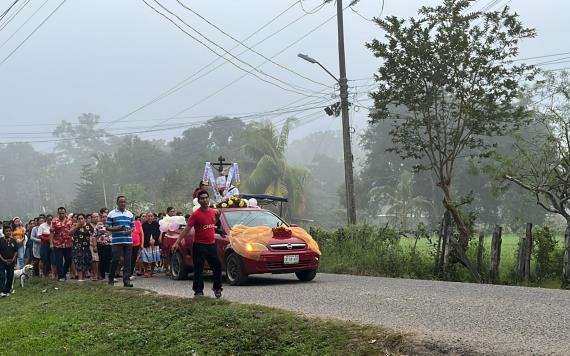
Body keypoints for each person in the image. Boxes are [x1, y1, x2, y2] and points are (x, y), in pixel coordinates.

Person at [173, 190, 222, 298]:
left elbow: (213, 223)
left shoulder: (213, 211)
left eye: (206, 198)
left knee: (217, 266)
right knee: (199, 269)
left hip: (211, 245)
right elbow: (186, 230)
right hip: (199, 245)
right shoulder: (196, 215)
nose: (204, 200)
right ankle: (198, 291)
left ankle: (217, 288)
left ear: (209, 199)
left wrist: (218, 216)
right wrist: (177, 242)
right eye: (202, 198)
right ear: (199, 201)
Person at [106, 196, 134, 287]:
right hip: (116, 240)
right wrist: (116, 228)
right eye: (121, 202)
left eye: (124, 202)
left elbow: (133, 226)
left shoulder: (130, 214)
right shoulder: (111, 214)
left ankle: (126, 281)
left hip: (128, 240)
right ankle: (111, 279)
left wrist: (130, 231)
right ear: (117, 203)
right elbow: (107, 227)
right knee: (115, 260)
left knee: (128, 261)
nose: (123, 203)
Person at [50, 207, 74, 282]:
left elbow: (72, 230)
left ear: (65, 213)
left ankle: (64, 272)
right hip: (58, 244)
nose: (62, 214)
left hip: (68, 243)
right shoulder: (54, 221)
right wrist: (51, 243)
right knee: (58, 260)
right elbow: (51, 232)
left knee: (69, 259)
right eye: (60, 213)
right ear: (58, 213)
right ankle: (61, 276)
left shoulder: (70, 220)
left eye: (63, 213)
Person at [70, 214, 93, 282]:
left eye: (81, 218)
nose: (80, 220)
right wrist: (77, 226)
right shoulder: (74, 225)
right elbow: (70, 233)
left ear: (85, 219)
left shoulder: (88, 225)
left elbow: (94, 234)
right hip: (77, 247)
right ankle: (80, 278)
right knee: (79, 262)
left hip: (86, 247)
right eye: (79, 219)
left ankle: (83, 278)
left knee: (86, 261)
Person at [0, 225, 17, 297]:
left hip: (11, 261)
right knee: (2, 276)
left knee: (10, 276)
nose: (8, 232)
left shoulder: (13, 240)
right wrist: (3, 260)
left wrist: (13, 259)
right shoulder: (0, 240)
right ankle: (1, 291)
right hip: (1, 261)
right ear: (4, 232)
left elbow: (16, 251)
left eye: (9, 231)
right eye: (7, 231)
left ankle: (7, 290)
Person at [141, 212, 160, 277]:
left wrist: (154, 239)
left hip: (155, 242)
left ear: (153, 217)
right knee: (145, 257)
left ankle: (152, 271)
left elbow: (158, 232)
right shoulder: (143, 225)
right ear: (146, 217)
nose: (150, 217)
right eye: (148, 216)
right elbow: (143, 234)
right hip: (146, 243)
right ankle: (146, 270)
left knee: (154, 257)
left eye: (151, 216)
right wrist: (148, 241)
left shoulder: (156, 224)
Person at [159, 207, 176, 276]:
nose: (173, 213)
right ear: (168, 212)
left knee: (173, 253)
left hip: (174, 237)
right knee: (166, 254)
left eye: (174, 211)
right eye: (171, 211)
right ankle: (167, 269)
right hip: (166, 237)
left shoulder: (175, 219)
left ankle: (172, 268)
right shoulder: (165, 219)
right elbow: (162, 229)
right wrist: (160, 236)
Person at [130, 213, 144, 280]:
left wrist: (142, 244)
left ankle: (131, 273)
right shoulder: (126, 223)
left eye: (133, 216)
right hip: (127, 244)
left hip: (136, 244)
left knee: (134, 258)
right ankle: (126, 272)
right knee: (127, 258)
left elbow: (141, 234)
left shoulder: (138, 223)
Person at [89, 213, 100, 281]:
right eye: (94, 217)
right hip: (91, 244)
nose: (96, 218)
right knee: (94, 259)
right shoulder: (88, 226)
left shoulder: (100, 225)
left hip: (101, 244)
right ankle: (94, 275)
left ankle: (99, 274)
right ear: (91, 218)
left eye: (97, 217)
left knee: (99, 260)